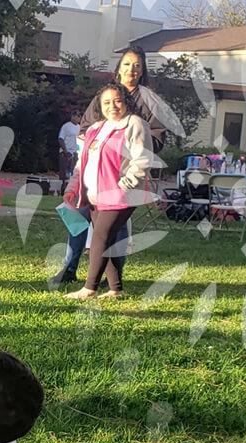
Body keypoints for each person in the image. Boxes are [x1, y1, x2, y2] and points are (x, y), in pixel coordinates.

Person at [49, 46, 178, 288]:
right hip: (94, 172)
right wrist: (92, 145)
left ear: (143, 71)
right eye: (127, 64)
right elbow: (87, 127)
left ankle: (109, 282)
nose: (132, 70)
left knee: (112, 229)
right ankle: (70, 267)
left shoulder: (146, 105)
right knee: (79, 218)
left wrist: (130, 146)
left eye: (137, 65)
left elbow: (155, 140)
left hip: (122, 178)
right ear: (119, 68)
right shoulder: (104, 95)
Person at [62, 83, 151, 301]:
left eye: (117, 101)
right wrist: (73, 187)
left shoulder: (135, 125)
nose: (113, 106)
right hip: (94, 194)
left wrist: (125, 185)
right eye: (107, 102)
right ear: (100, 106)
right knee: (107, 240)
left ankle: (89, 288)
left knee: (100, 237)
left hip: (120, 196)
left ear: (126, 102)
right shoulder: (95, 129)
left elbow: (142, 160)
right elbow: (81, 163)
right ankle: (116, 289)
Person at [57, 109, 81, 186]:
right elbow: (61, 139)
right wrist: (66, 151)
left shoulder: (79, 127)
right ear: (73, 117)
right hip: (66, 153)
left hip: (75, 153)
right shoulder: (66, 126)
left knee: (73, 173)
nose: (79, 118)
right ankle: (62, 188)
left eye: (79, 116)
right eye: (77, 116)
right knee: (65, 173)